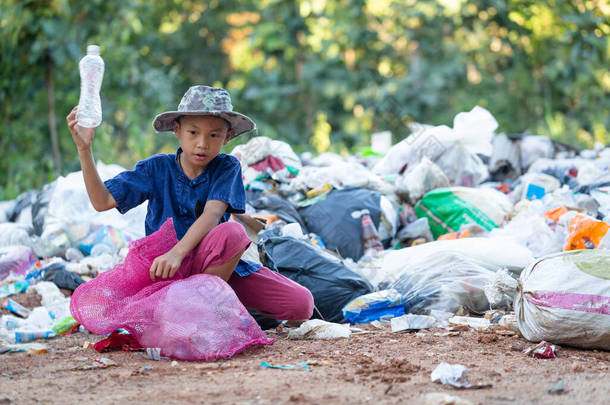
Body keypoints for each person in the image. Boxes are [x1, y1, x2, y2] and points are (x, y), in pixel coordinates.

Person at [66, 85, 314, 322]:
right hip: (165, 271)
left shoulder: (227, 167)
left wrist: (178, 252)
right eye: (193, 133)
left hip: (215, 268)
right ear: (177, 130)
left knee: (301, 303)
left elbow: (212, 214)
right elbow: (103, 201)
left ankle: (207, 306)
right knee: (109, 308)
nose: (202, 144)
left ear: (227, 137)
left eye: (214, 135)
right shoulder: (156, 168)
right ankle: (200, 313)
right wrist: (84, 149)